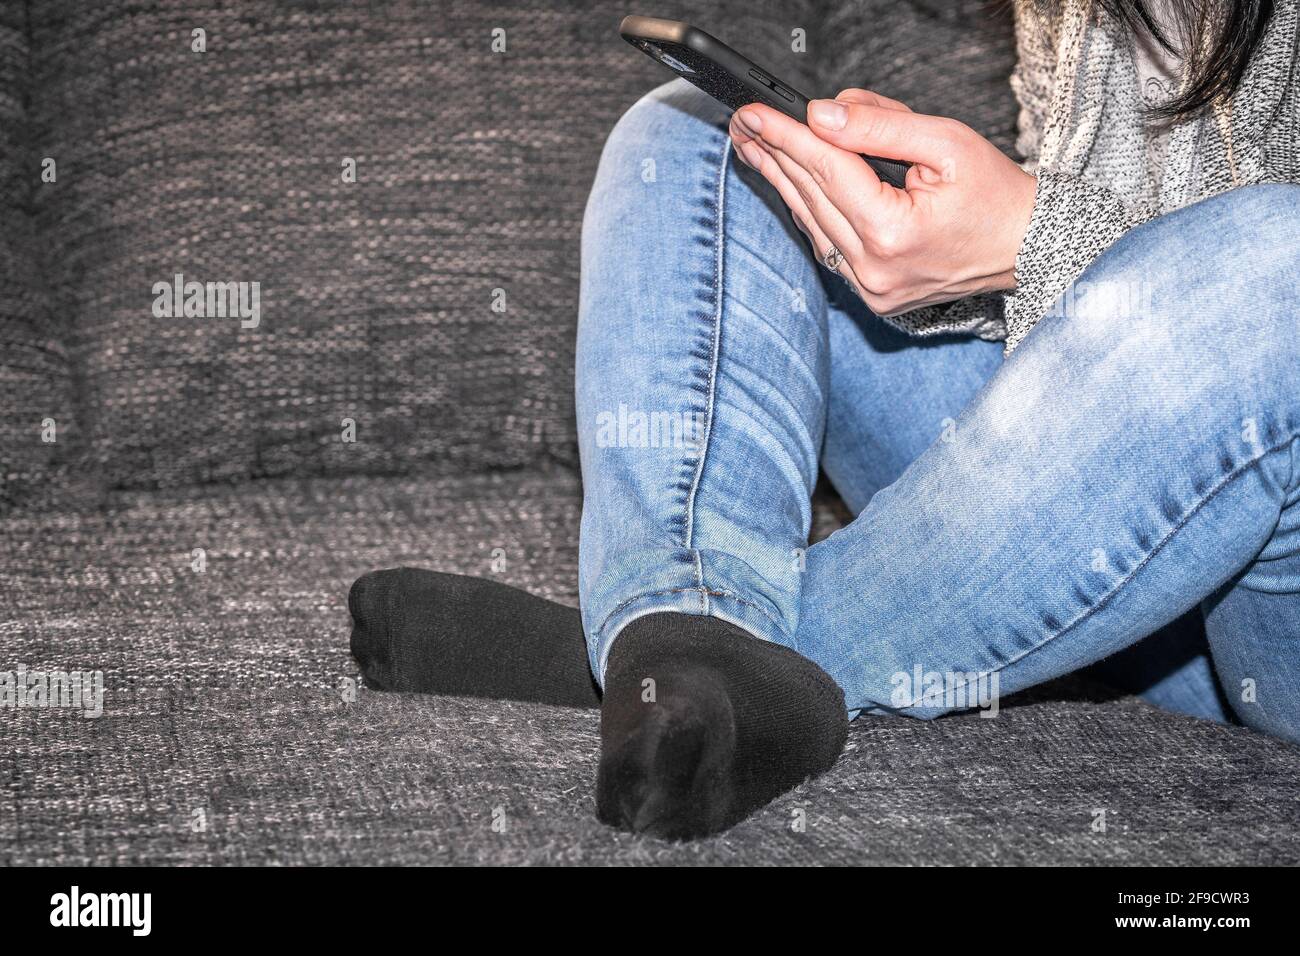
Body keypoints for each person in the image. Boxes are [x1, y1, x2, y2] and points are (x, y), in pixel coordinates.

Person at [349, 0, 1300, 839]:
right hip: (1129, 511)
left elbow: (1237, 304)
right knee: (702, 138)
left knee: (1275, 271)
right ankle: (694, 616)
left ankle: (690, 654)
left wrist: (1028, 235)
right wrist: (957, 244)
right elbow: (1117, 312)